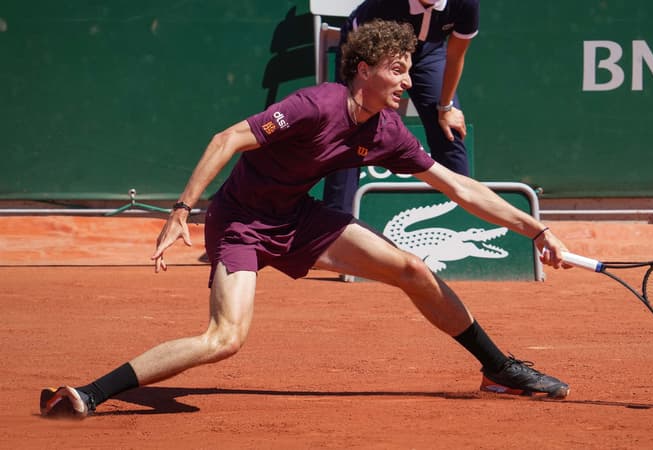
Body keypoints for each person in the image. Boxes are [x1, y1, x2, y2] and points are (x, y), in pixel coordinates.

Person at [40, 19, 571, 420]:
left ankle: (498, 369)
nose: (407, 81)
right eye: (397, 69)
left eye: (409, 69)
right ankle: (89, 392)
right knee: (224, 339)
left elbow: (459, 187)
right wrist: (183, 209)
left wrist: (537, 230)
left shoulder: (387, 131)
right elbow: (227, 139)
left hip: (297, 217)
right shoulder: (311, 106)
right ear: (364, 70)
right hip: (241, 221)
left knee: (411, 270)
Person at [323, 0, 478, 214]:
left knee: (449, 130)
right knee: (351, 127)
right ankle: (336, 221)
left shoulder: (465, 3)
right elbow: (366, 59)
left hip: (429, 54)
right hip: (371, 51)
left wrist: (446, 107)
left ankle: (462, 214)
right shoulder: (382, 6)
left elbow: (455, 55)